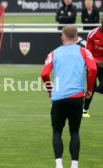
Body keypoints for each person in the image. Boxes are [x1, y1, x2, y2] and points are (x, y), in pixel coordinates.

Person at [41, 26, 97, 168]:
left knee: (57, 131)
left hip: (58, 97)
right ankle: (74, 165)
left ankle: (59, 165)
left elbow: (44, 73)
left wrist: (49, 89)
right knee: (74, 132)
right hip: (77, 97)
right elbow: (93, 69)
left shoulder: (54, 53)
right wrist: (89, 89)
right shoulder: (84, 52)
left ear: (63, 37)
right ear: (77, 37)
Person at [83, 16, 103, 117]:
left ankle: (84, 95)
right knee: (92, 87)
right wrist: (97, 62)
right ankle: (84, 109)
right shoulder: (92, 34)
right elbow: (88, 54)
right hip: (92, 65)